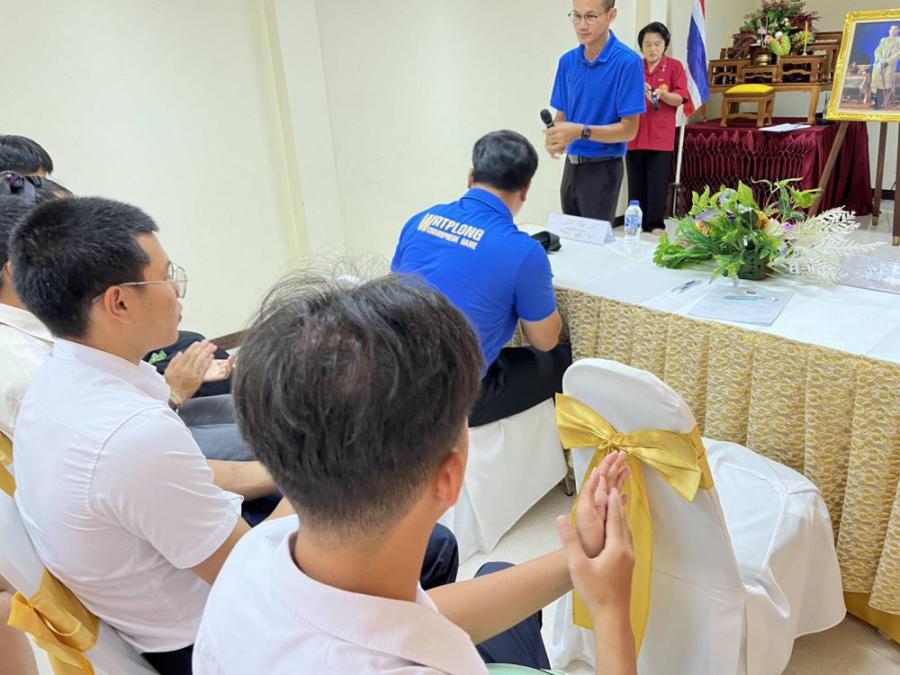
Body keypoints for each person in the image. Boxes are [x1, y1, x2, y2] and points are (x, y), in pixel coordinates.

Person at [193, 273, 637, 674]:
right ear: (449, 477)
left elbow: (403, 621)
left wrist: (576, 559)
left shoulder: (255, 554)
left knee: (498, 571)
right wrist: (611, 608)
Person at [9, 196, 297, 675]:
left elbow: (189, 476)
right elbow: (254, 578)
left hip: (175, 588)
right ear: (119, 302)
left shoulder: (61, 379)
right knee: (419, 544)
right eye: (164, 277)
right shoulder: (129, 434)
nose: (177, 290)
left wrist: (286, 472)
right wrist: (323, 479)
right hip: (212, 638)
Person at [392, 130, 571, 427]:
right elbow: (545, 341)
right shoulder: (523, 252)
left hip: (397, 377)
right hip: (457, 398)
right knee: (567, 361)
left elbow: (393, 292)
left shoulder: (420, 220)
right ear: (526, 189)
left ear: (470, 177)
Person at [545, 0, 645, 225]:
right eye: (576, 16)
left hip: (603, 168)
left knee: (593, 242)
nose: (582, 25)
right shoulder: (567, 62)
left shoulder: (627, 63)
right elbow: (562, 116)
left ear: (611, 15)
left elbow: (629, 129)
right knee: (570, 239)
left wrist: (581, 131)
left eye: (591, 16)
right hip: (571, 167)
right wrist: (555, 137)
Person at [626, 22, 689, 234]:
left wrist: (662, 94)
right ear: (641, 47)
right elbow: (621, 96)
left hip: (660, 135)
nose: (652, 49)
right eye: (648, 44)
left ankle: (654, 224)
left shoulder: (674, 67)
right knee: (636, 181)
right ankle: (636, 223)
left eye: (657, 44)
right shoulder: (634, 67)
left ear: (665, 46)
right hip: (634, 133)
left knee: (657, 182)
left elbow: (680, 98)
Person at [872, 24, 900, 109]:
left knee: (886, 83)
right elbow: (877, 51)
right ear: (889, 31)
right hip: (880, 64)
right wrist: (880, 59)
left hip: (889, 65)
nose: (892, 31)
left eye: (895, 29)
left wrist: (887, 61)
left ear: (898, 31)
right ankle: (877, 103)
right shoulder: (883, 40)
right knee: (878, 82)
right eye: (891, 29)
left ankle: (883, 102)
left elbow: (898, 54)